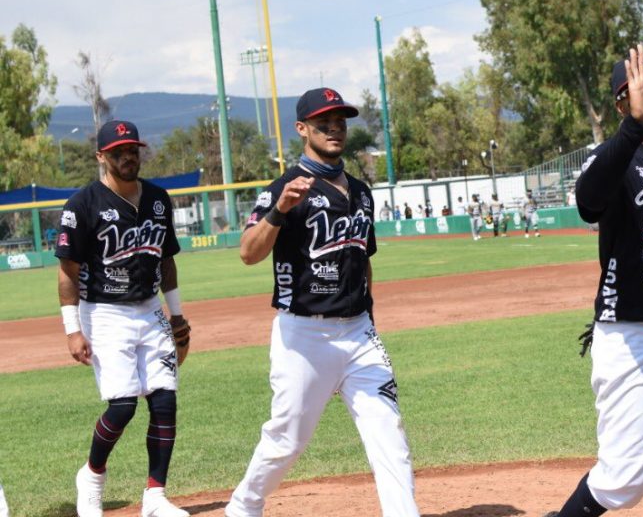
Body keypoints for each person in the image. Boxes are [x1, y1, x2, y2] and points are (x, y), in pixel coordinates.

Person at [225, 88, 418, 517]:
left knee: (389, 432)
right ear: (302, 129)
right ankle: (244, 504)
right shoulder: (284, 187)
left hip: (359, 333)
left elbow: (363, 259)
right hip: (304, 336)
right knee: (286, 439)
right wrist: (278, 211)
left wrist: (368, 319)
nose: (334, 128)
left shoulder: (362, 192)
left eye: (340, 120)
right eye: (323, 122)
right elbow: (248, 253)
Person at [546, 46, 643, 517]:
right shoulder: (611, 161)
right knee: (623, 482)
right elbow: (588, 201)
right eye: (637, 90)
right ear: (620, 105)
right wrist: (633, 127)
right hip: (634, 334)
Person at [55, 120, 190, 517]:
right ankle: (92, 476)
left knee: (165, 400)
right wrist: (72, 330)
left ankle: (155, 497)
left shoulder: (159, 199)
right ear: (102, 156)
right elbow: (68, 272)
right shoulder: (83, 204)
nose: (128, 157)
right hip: (103, 313)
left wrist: (178, 315)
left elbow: (166, 262)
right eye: (118, 151)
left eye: (132, 149)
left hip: (150, 310)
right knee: (123, 406)